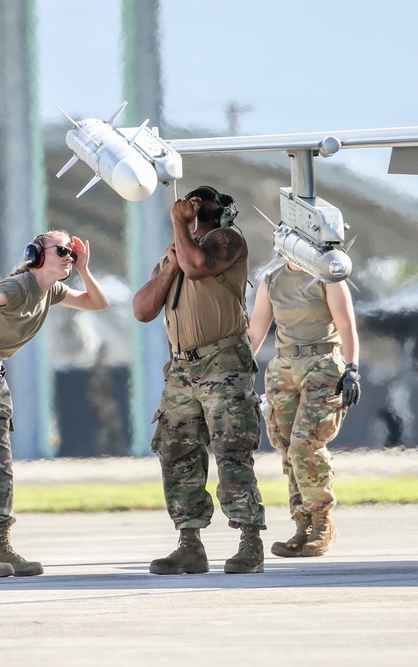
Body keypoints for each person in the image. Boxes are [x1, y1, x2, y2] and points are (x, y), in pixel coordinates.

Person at [0, 230, 110, 578]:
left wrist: (85, 269)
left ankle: (1, 547)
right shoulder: (17, 288)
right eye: (61, 250)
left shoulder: (52, 291)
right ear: (36, 254)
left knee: (0, 465)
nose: (68, 257)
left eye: (71, 253)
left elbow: (97, 303)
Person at [132, 185, 266, 575]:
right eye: (189, 199)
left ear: (220, 209)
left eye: (202, 199)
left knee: (231, 452)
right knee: (176, 454)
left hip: (222, 363)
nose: (193, 202)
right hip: (181, 370)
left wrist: (178, 223)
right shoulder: (175, 255)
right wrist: (169, 267)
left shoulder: (228, 240)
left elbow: (197, 266)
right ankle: (189, 543)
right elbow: (143, 310)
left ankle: (250, 542)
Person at [247, 260, 361, 557]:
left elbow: (346, 323)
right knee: (287, 447)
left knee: (305, 443)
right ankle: (303, 524)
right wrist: (236, 369)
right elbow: (256, 331)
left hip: (322, 363)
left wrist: (351, 369)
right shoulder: (271, 279)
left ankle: (322, 522)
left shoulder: (328, 275)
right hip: (283, 368)